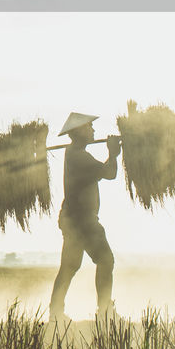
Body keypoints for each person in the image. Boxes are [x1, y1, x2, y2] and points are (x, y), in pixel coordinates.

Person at [49, 111, 121, 321]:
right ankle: (105, 311)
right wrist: (113, 154)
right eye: (89, 127)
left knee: (69, 266)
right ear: (79, 132)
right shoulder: (79, 158)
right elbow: (109, 173)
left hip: (73, 219)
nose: (93, 130)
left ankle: (56, 311)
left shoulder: (73, 154)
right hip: (82, 221)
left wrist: (112, 154)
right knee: (105, 260)